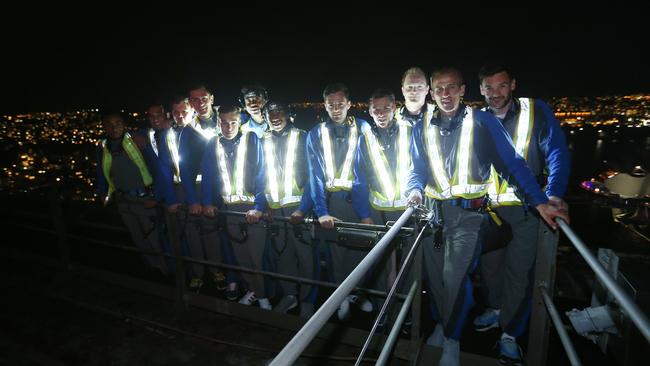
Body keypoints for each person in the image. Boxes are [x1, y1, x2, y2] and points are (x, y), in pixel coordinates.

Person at [406, 67, 569, 366]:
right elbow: (416, 168)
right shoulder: (422, 127)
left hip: (469, 216)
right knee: (437, 280)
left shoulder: (480, 122)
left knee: (455, 277)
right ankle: (443, 325)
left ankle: (453, 340)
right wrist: (414, 190)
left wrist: (540, 201)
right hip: (432, 215)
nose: (445, 94)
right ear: (432, 92)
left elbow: (511, 163)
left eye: (452, 88)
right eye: (439, 89)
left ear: (463, 90)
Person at [474, 64, 570, 365]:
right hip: (491, 210)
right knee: (490, 267)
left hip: (529, 209)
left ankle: (511, 333)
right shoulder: (476, 119)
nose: (495, 93)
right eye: (488, 87)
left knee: (520, 270)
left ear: (513, 84)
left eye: (502, 86)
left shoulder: (535, 111)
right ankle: (497, 308)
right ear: (480, 90)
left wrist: (553, 193)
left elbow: (556, 151)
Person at [306, 82, 372, 320]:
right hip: (333, 204)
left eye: (340, 104)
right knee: (336, 253)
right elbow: (314, 176)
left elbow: (368, 170)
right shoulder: (315, 133)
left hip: (360, 202)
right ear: (324, 105)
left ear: (349, 104)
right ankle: (340, 296)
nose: (336, 109)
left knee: (359, 251)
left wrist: (365, 212)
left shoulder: (363, 127)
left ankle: (356, 293)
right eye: (331, 104)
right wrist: (321, 211)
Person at [352, 88, 416, 321]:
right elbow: (359, 179)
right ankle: (383, 312)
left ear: (395, 108)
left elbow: (420, 168)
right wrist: (364, 215)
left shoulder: (410, 132)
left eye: (385, 108)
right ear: (369, 111)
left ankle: (405, 315)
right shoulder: (364, 139)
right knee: (381, 262)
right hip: (379, 211)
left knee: (407, 263)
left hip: (408, 210)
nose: (380, 113)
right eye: (375, 109)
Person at [201, 103, 272, 310]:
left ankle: (263, 295)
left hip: (251, 209)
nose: (228, 126)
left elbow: (262, 174)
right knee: (241, 257)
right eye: (224, 122)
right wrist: (207, 202)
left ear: (239, 121)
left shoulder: (252, 140)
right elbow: (208, 176)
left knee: (256, 257)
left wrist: (259, 206)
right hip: (230, 209)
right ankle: (254, 291)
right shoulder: (212, 144)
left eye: (233, 122)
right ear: (218, 122)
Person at [260, 101, 318, 318]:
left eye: (279, 111)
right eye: (270, 113)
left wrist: (303, 209)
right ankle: (290, 295)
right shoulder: (262, 140)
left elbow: (314, 176)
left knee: (306, 256)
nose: (275, 116)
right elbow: (260, 176)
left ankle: (308, 300)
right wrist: (265, 205)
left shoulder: (302, 137)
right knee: (283, 255)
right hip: (276, 210)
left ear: (288, 114)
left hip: (299, 210)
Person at [95, 112, 168, 277]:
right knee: (138, 238)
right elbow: (101, 171)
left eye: (118, 123)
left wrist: (156, 195)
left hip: (144, 199)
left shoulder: (137, 140)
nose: (114, 128)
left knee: (154, 238)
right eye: (110, 124)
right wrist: (102, 192)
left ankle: (166, 272)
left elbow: (157, 168)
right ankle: (152, 270)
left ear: (124, 124)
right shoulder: (103, 146)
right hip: (123, 200)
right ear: (104, 127)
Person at [176, 85, 225, 293]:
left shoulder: (228, 120)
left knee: (225, 237)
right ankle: (202, 273)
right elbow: (184, 168)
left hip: (230, 189)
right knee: (201, 234)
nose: (200, 103)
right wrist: (195, 200)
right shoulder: (189, 130)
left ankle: (223, 272)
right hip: (202, 191)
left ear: (212, 98)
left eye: (203, 98)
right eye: (194, 100)